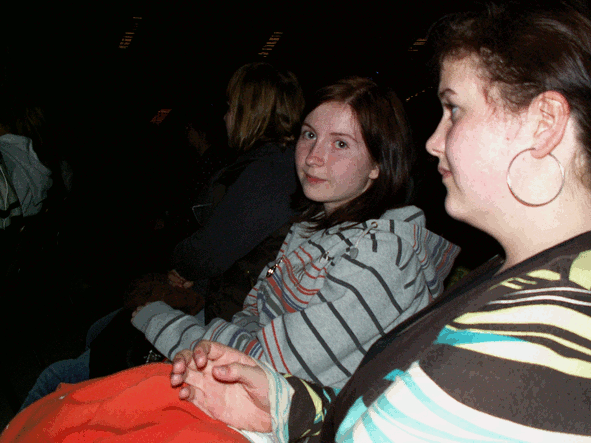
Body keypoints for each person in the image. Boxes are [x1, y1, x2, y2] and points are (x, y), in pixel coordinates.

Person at [162, 1, 591, 441]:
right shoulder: (510, 278)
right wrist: (286, 406)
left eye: (454, 110)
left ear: (544, 124)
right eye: (309, 135)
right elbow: (366, 408)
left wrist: (161, 318)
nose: (433, 142)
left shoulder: (537, 331)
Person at [131, 76, 459, 389]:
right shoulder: (313, 224)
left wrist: (163, 322)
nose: (313, 157)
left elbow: (264, 369)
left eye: (340, 143)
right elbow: (253, 312)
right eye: (309, 135)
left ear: (378, 164)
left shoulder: (382, 257)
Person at [17, 61, 305, 410]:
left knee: (60, 374)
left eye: (231, 107)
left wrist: (182, 267)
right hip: (218, 296)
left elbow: (207, 253)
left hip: (223, 311)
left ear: (251, 111)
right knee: (99, 333)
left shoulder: (268, 172)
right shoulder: (268, 165)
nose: (225, 116)